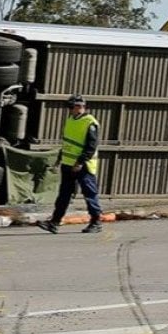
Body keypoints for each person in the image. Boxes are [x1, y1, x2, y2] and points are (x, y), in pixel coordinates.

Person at [37, 93, 103, 234]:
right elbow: (67, 142)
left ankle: (96, 221)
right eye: (74, 106)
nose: (76, 109)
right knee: (64, 194)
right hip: (68, 164)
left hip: (83, 165)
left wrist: (80, 162)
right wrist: (59, 160)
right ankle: (54, 222)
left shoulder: (90, 122)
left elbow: (91, 146)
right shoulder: (70, 120)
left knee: (89, 193)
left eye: (79, 106)